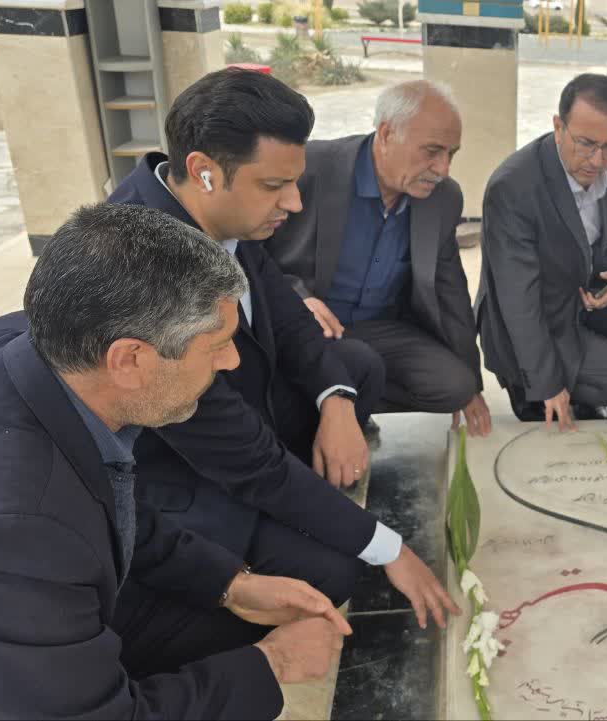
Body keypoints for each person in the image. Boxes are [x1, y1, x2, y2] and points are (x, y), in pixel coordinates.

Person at [0, 204, 356, 719]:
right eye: (217, 345)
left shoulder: (39, 347)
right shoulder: (15, 531)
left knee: (312, 580)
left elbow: (107, 499)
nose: (233, 361)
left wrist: (231, 585)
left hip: (49, 600)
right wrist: (274, 663)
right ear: (129, 360)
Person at [110, 68, 457, 625]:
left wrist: (336, 402)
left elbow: (292, 321)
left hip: (245, 417)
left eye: (293, 183)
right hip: (180, 475)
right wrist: (390, 547)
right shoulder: (146, 273)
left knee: (356, 367)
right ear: (202, 171)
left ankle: (307, 486)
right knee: (334, 573)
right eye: (274, 186)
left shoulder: (216, 214)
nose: (294, 203)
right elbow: (245, 458)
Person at [267, 81, 491, 437]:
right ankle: (327, 405)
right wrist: (296, 297)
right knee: (308, 374)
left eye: (452, 154)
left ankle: (351, 397)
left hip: (380, 329)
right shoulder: (310, 167)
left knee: (454, 384)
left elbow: (450, 290)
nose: (443, 169)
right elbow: (245, 248)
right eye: (432, 151)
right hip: (306, 323)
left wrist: (473, 384)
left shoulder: (443, 198)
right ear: (386, 134)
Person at [478, 73, 607, 430]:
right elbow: (517, 299)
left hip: (580, 300)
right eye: (586, 144)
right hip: (533, 318)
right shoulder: (513, 187)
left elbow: (602, 240)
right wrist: (547, 383)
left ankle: (581, 378)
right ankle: (527, 386)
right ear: (558, 127)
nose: (598, 160)